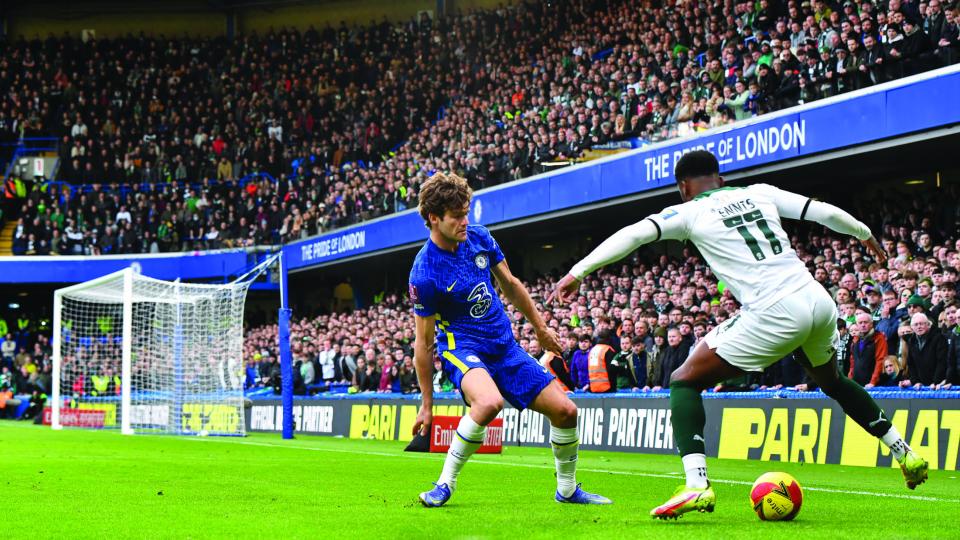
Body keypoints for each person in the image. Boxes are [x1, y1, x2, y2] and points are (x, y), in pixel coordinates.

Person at [549, 150, 928, 519]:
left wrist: (577, 272)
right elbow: (823, 211)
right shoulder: (760, 192)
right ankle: (905, 452)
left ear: (683, 187)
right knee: (834, 382)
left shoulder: (687, 212)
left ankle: (696, 484)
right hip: (817, 300)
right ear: (722, 179)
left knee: (683, 380)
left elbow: (633, 235)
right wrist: (863, 233)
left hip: (775, 310)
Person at [409, 172, 610, 507]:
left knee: (566, 412)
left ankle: (568, 490)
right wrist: (427, 404)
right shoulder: (424, 273)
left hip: (505, 348)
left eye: (467, 213)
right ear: (434, 218)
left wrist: (540, 328)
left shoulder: (479, 238)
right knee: (489, 403)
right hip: (464, 350)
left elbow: (512, 285)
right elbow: (424, 343)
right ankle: (444, 484)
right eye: (457, 216)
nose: (465, 221)